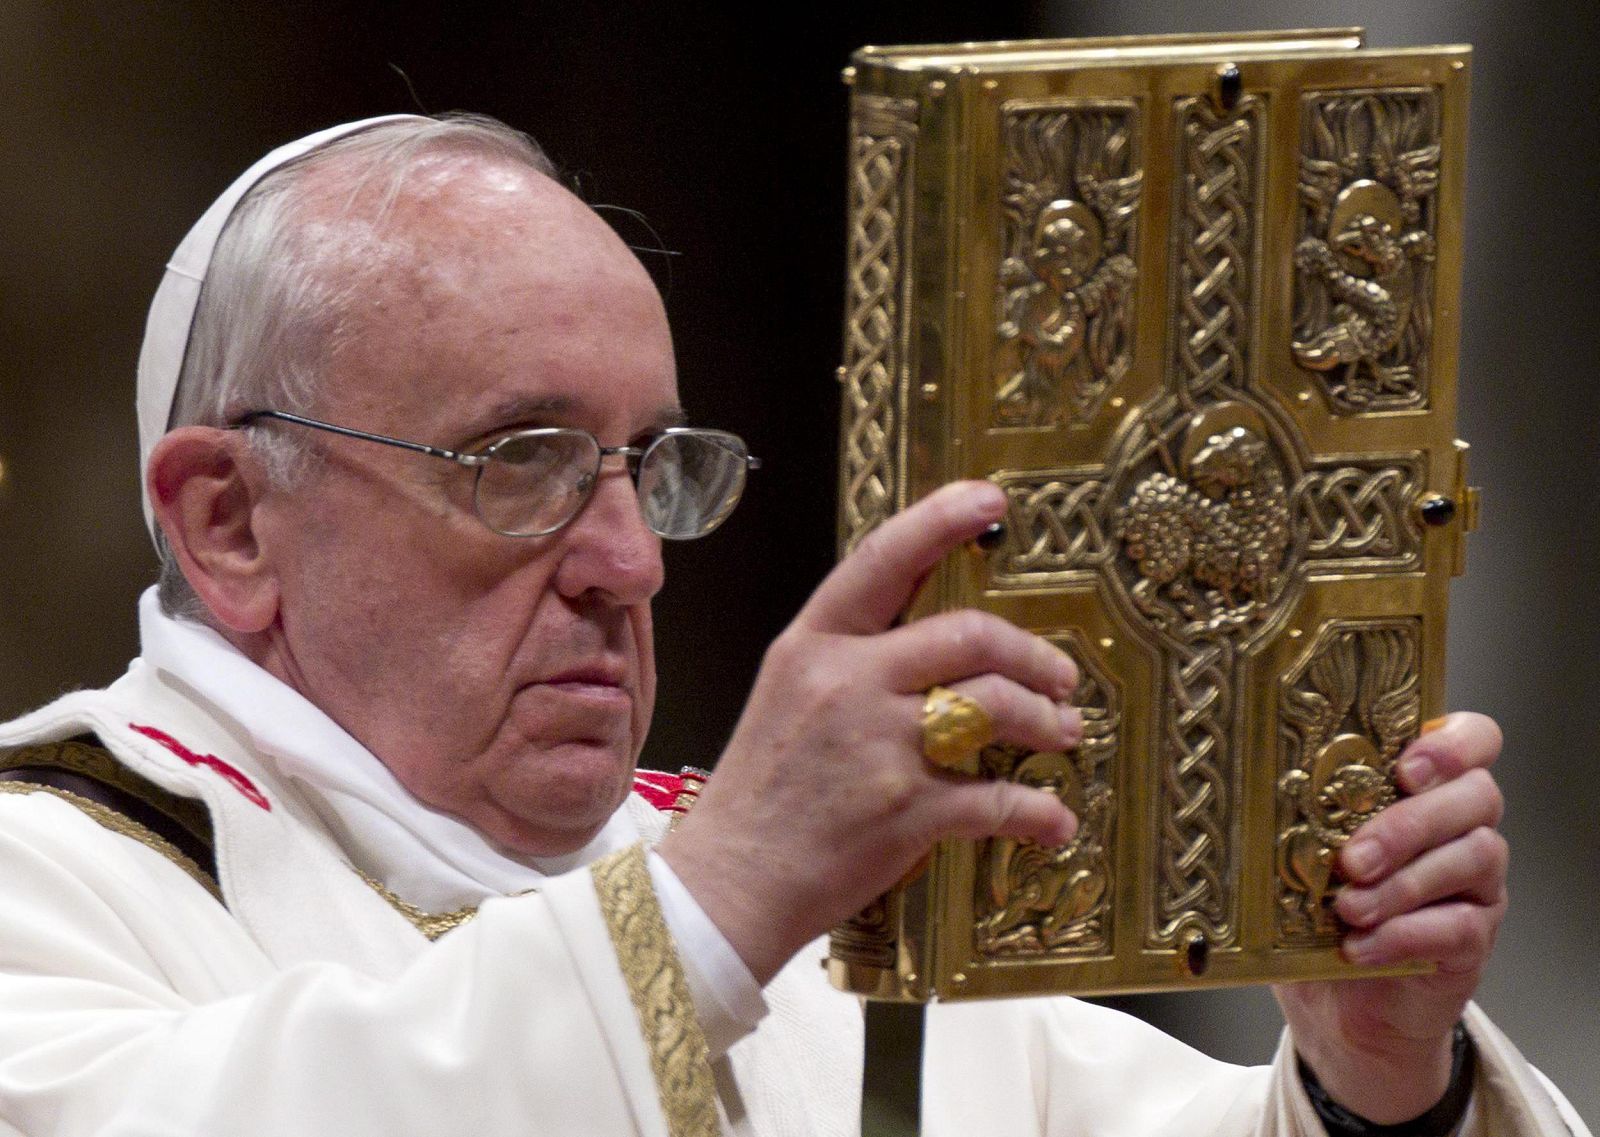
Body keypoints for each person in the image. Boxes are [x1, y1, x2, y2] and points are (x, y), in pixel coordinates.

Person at [0, 113, 1584, 1137]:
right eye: (522, 461)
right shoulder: (54, 878)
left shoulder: (812, 930)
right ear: (230, 520)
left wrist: (1378, 1081)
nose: (631, 559)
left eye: (652, 466)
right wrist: (731, 889)